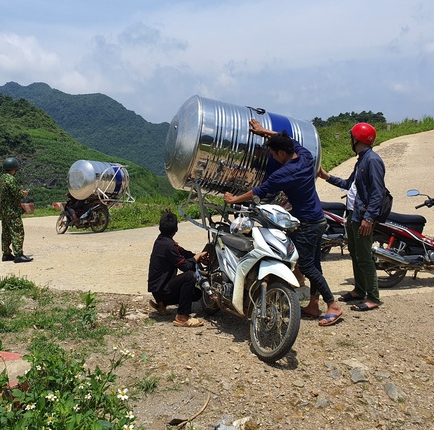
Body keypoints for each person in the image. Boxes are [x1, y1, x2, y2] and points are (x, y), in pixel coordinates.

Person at [223, 121, 343, 327]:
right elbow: (289, 140)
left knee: (306, 266)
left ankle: (333, 305)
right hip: (319, 219)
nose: (272, 157)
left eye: (272, 154)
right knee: (314, 264)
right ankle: (314, 305)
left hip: (306, 223)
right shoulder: (305, 157)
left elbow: (258, 191)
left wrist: (233, 200)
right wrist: (264, 132)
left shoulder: (284, 174)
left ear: (280, 153)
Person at [318, 122, 385, 312]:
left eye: (352, 138)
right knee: (355, 254)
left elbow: (377, 192)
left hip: (363, 216)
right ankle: (359, 289)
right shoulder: (362, 160)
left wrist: (369, 218)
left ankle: (373, 297)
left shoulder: (372, 160)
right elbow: (350, 184)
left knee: (364, 256)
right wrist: (327, 177)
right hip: (354, 215)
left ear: (357, 140)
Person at [147, 211, 208, 327]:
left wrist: (198, 256)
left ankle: (162, 303)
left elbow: (183, 252)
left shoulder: (161, 240)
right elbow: (185, 267)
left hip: (158, 290)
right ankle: (182, 317)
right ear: (176, 230)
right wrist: (196, 258)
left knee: (196, 294)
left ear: (159, 227)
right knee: (190, 276)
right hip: (162, 289)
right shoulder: (169, 246)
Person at [0, 157, 33, 263]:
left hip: (4, 210)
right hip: (12, 210)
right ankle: (18, 254)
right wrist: (24, 193)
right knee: (17, 231)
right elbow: (17, 194)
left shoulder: (2, 178)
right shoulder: (11, 179)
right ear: (14, 168)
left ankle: (6, 254)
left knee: (6, 232)